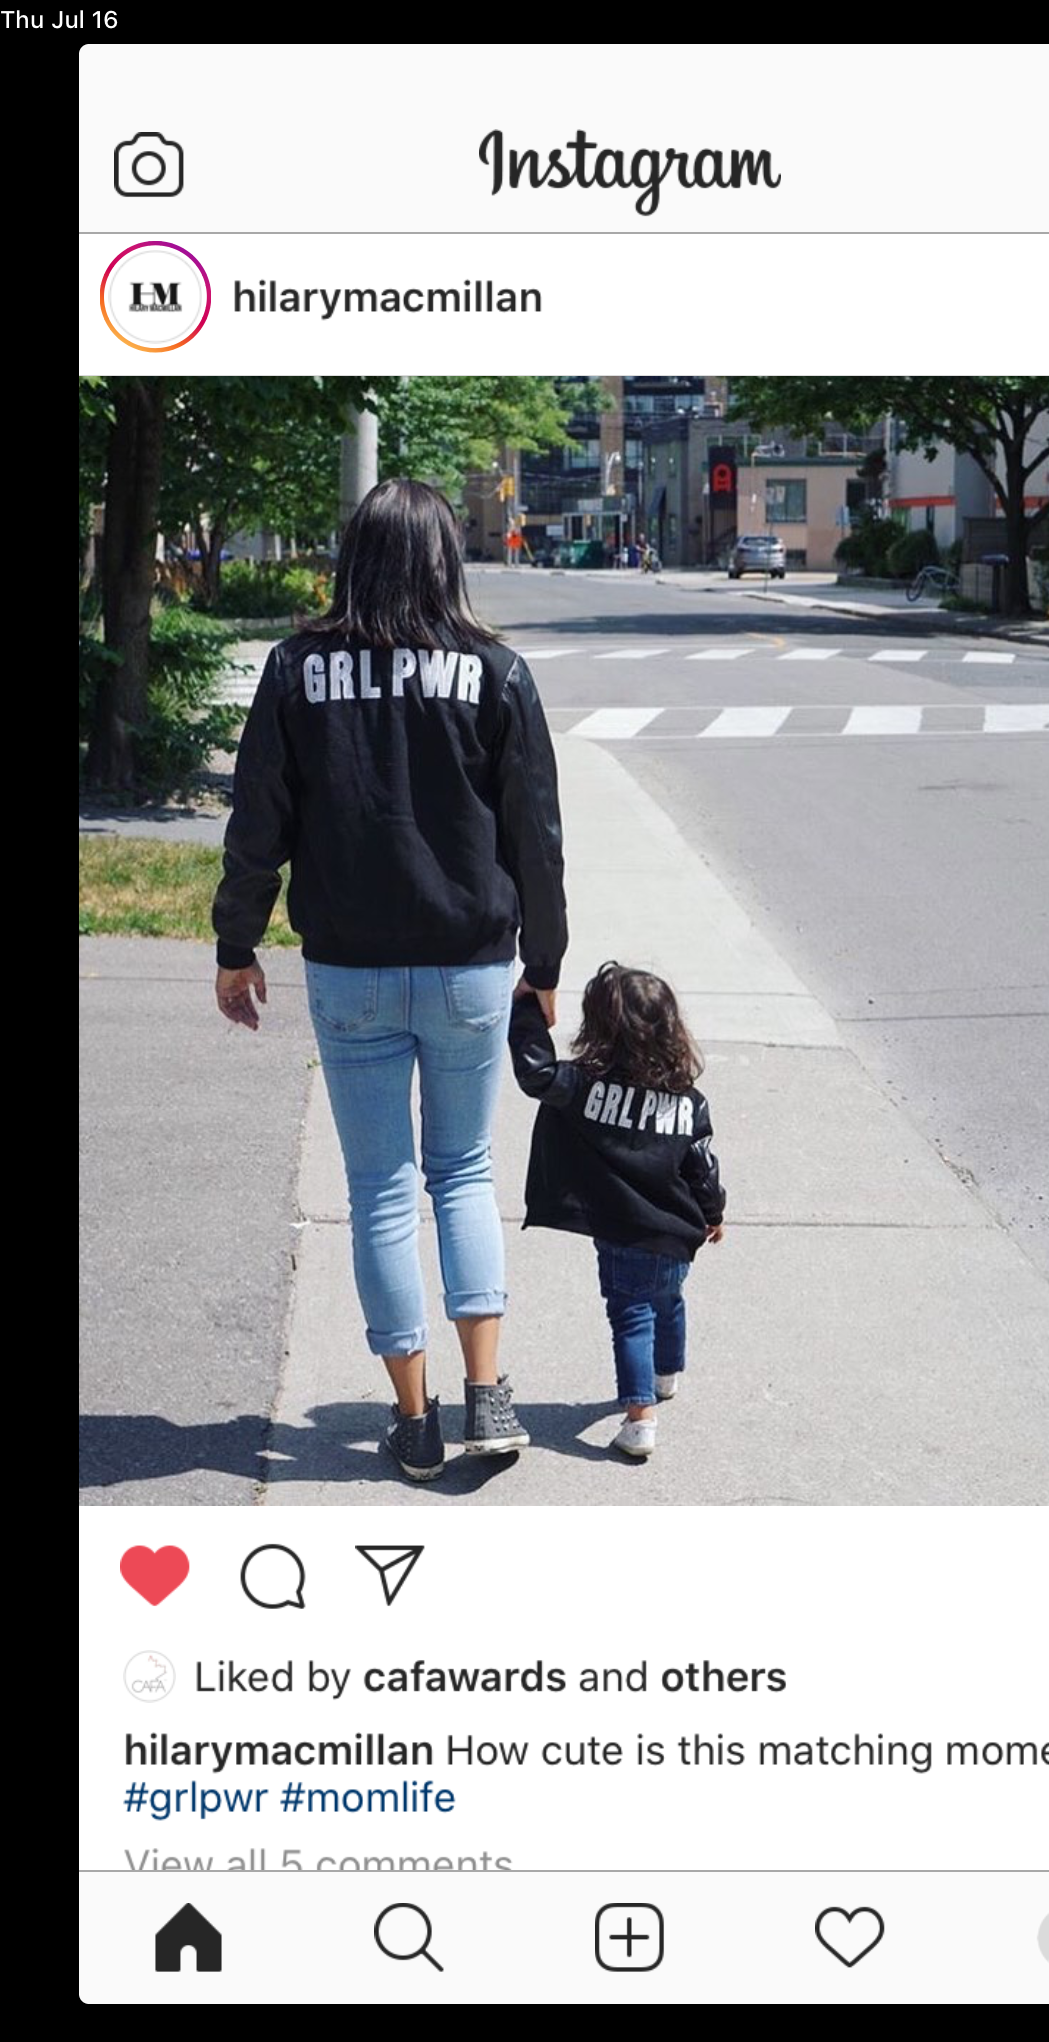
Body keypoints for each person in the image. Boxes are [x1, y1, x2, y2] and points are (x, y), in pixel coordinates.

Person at [211, 479, 568, 1482]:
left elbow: (258, 820)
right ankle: (488, 1394)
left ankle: (413, 1419)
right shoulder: (495, 670)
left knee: (379, 1189)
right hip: (469, 965)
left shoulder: (296, 669)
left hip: (351, 966)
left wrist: (236, 944)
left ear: (354, 558)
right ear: (446, 560)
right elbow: (536, 833)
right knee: (463, 1171)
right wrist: (544, 964)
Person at [508, 963, 725, 1459]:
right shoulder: (688, 1101)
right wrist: (713, 1212)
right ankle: (666, 1375)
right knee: (668, 1300)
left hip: (623, 1234)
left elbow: (536, 1072)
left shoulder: (583, 1086)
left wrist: (525, 1011)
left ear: (600, 1028)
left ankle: (640, 1418)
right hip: (678, 1234)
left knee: (631, 1317)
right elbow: (702, 1165)